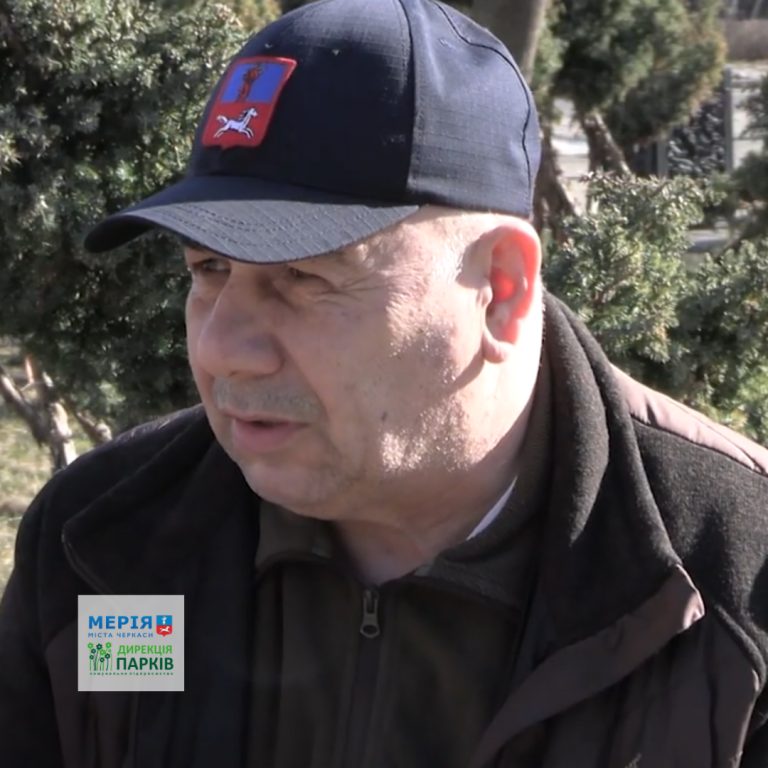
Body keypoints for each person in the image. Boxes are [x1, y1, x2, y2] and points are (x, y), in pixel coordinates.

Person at [2, 0, 768, 765]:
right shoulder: (102, 550)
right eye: (209, 268)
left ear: (501, 289)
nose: (222, 348)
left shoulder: (740, 583)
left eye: (304, 277)